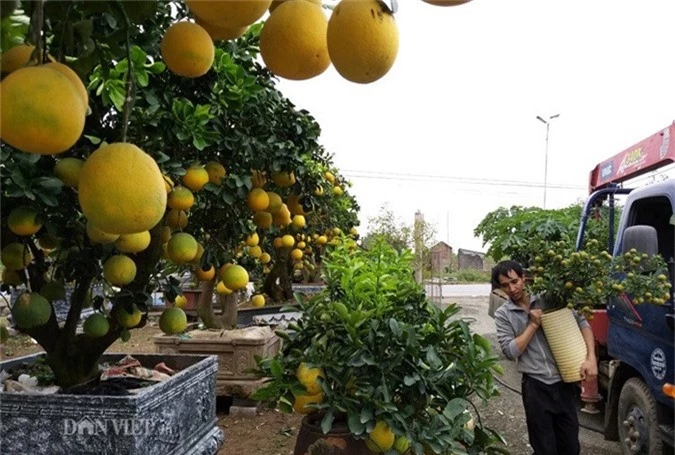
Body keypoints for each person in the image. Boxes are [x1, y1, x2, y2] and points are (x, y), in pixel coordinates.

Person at [492, 260, 597, 455]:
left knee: (570, 447)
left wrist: (591, 358)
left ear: (524, 278)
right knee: (544, 448)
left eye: (515, 281)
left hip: (563, 383)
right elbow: (510, 351)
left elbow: (582, 322)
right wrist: (532, 325)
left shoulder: (550, 298)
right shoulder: (503, 314)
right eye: (505, 285)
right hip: (535, 387)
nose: (512, 288)